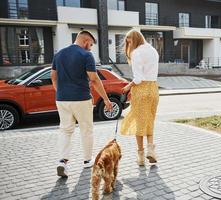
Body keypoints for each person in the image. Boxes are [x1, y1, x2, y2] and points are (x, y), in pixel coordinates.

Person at [51, 30, 113, 178]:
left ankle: (62, 162)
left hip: (61, 99)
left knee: (65, 130)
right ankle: (86, 160)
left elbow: (53, 77)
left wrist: (61, 92)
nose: (90, 48)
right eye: (90, 44)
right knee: (86, 129)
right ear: (85, 41)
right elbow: (94, 79)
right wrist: (106, 99)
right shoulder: (86, 55)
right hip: (81, 99)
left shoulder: (58, 54)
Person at [120, 30, 159, 166]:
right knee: (149, 120)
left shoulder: (136, 53)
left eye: (129, 41)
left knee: (139, 123)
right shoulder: (153, 50)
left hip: (141, 90)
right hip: (153, 89)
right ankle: (151, 150)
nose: (128, 45)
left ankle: (141, 157)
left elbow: (138, 79)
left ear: (134, 39)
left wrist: (128, 87)